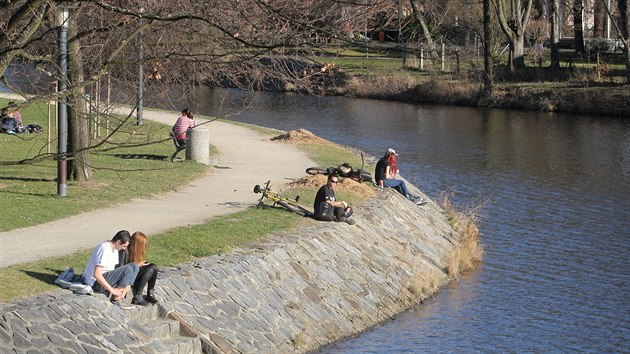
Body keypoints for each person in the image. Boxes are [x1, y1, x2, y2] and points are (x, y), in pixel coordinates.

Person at [82, 230, 139, 306]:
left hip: (105, 277)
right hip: (95, 282)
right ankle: (116, 298)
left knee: (134, 266)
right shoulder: (104, 249)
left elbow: (112, 270)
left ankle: (122, 294)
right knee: (128, 269)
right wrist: (112, 290)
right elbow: (97, 274)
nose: (124, 249)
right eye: (124, 246)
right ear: (118, 242)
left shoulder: (115, 249)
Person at [119, 231, 159, 306]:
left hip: (134, 274)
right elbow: (124, 269)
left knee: (153, 267)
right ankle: (137, 296)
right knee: (149, 269)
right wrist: (138, 265)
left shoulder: (134, 252)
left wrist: (141, 264)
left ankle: (150, 293)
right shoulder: (124, 252)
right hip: (129, 277)